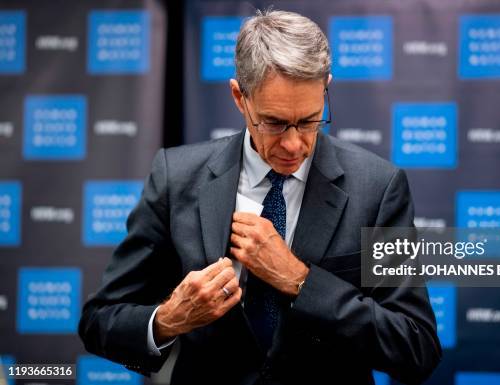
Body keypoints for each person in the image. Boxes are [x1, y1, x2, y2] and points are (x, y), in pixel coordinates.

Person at [79, 9, 441, 385]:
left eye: (309, 120)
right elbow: (100, 320)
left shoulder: (377, 187)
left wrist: (301, 281)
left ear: (326, 87)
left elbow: (416, 346)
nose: (293, 143)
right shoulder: (177, 177)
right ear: (239, 97)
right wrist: (171, 318)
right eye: (274, 122)